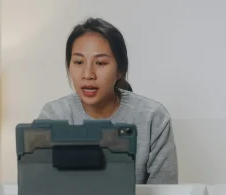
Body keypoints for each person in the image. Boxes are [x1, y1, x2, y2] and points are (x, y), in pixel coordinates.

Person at [37, 17, 178, 184]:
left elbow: (165, 190)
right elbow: (40, 184)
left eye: (101, 63)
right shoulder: (53, 116)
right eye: (79, 62)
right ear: (69, 66)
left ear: (120, 70)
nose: (88, 74)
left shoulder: (153, 117)